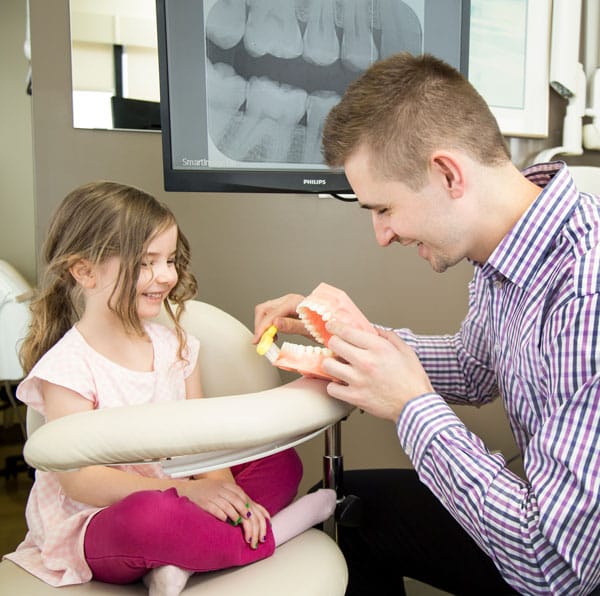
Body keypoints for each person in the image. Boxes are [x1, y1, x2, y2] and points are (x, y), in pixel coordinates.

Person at [253, 53, 600, 595]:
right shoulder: (511, 249)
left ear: (447, 174)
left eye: (384, 208)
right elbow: (475, 365)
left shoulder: (585, 291)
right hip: (548, 533)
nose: (381, 235)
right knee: (350, 508)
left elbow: (552, 569)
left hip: (563, 566)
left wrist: (412, 407)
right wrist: (348, 340)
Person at [4, 181, 336, 595]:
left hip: (177, 488)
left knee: (279, 462)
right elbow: (80, 483)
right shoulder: (67, 368)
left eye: (170, 260)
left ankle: (183, 559)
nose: (165, 276)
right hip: (99, 518)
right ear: (84, 271)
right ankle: (281, 528)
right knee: (150, 517)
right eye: (146, 263)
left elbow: (198, 443)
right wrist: (189, 491)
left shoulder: (176, 346)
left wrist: (227, 492)